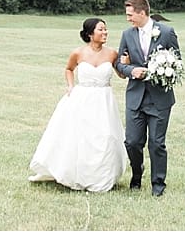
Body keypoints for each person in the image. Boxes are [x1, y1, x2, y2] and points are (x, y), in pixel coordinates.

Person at [28, 18, 127, 192]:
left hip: (104, 100)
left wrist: (125, 65)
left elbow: (121, 75)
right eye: (101, 30)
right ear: (90, 34)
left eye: (106, 30)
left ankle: (101, 176)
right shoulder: (78, 53)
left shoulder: (112, 53)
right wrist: (70, 86)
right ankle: (75, 173)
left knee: (104, 136)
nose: (105, 33)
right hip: (83, 98)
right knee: (80, 135)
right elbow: (68, 69)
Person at [115, 0, 182, 196]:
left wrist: (161, 71)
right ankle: (137, 172)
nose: (128, 19)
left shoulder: (167, 32)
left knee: (156, 142)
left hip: (160, 98)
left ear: (142, 12)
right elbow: (119, 63)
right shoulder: (127, 34)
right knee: (132, 142)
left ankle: (158, 185)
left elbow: (177, 62)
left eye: (130, 14)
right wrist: (131, 71)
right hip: (135, 96)